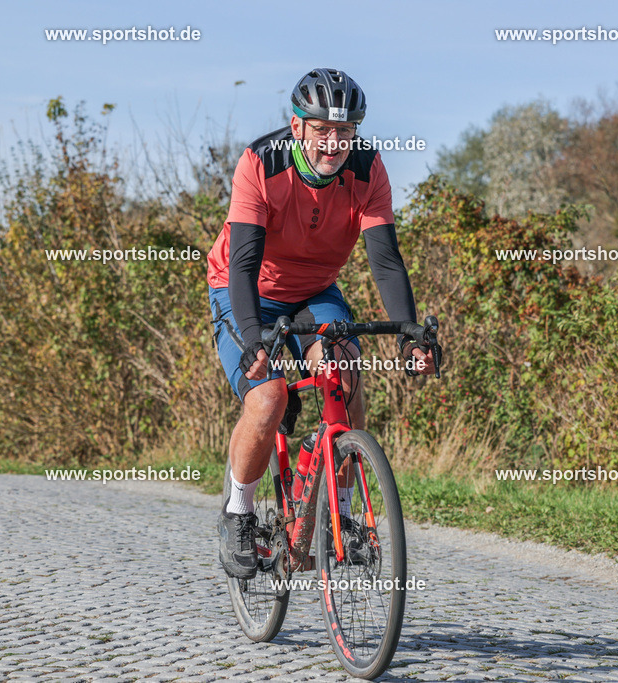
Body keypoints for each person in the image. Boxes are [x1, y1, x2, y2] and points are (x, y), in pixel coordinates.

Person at [207, 67, 436, 579]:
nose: (334, 143)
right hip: (245, 287)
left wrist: (408, 333)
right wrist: (252, 341)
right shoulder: (259, 165)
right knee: (268, 397)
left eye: (345, 131)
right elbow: (242, 265)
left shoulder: (367, 170)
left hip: (314, 290)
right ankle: (238, 513)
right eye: (321, 130)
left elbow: (386, 261)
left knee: (344, 370)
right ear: (297, 127)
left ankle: (346, 515)